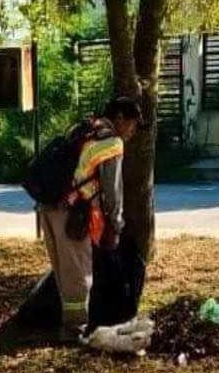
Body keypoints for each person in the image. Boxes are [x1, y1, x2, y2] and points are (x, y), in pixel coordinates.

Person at [37, 96, 142, 341]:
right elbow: (113, 191)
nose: (133, 131)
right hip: (73, 213)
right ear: (118, 118)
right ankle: (74, 331)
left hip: (49, 205)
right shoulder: (111, 142)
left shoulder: (84, 129)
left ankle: (69, 324)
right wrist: (116, 225)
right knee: (78, 274)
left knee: (64, 270)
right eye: (132, 124)